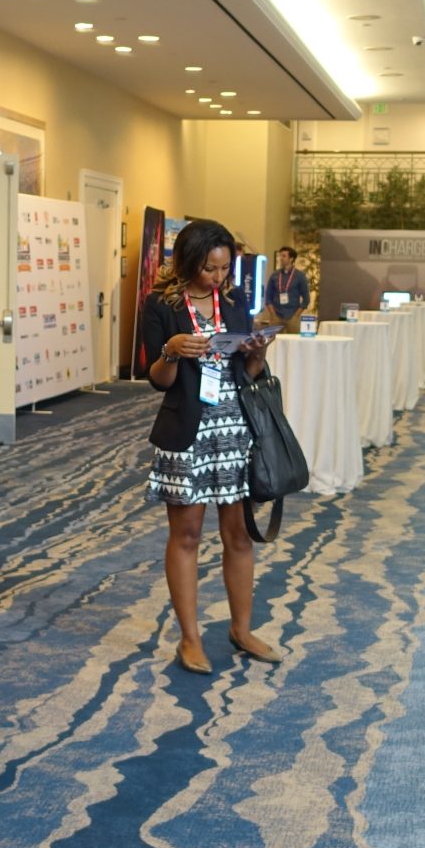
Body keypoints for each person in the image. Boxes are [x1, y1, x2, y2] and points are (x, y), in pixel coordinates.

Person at [140, 219, 281, 674]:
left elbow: (249, 374)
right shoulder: (160, 305)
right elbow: (158, 381)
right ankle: (190, 639)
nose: (218, 278)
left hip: (234, 430)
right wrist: (172, 351)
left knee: (238, 535)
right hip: (188, 433)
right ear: (188, 262)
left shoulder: (235, 302)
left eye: (224, 268)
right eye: (209, 269)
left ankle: (242, 629)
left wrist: (257, 353)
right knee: (186, 536)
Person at [258, 245, 310, 328]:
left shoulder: (300, 276)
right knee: (274, 336)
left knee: (293, 336)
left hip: (293, 316)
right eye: (280, 256)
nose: (281, 258)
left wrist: (296, 315)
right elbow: (268, 296)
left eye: (284, 256)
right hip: (276, 316)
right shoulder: (274, 275)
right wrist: (272, 314)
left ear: (291, 259)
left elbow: (306, 299)